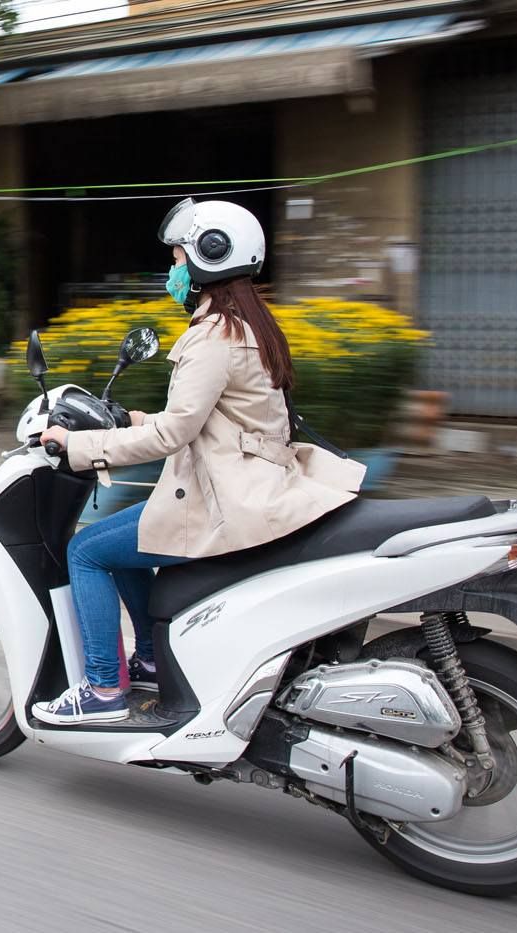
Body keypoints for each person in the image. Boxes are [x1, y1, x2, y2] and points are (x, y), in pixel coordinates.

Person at [31, 198, 366, 725]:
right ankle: (146, 659)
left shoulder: (214, 337)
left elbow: (175, 433)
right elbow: (213, 419)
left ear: (212, 256)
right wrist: (129, 420)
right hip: (253, 482)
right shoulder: (249, 325)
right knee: (127, 539)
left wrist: (75, 447)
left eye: (179, 257)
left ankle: (101, 689)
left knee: (87, 551)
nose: (174, 269)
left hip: (229, 501)